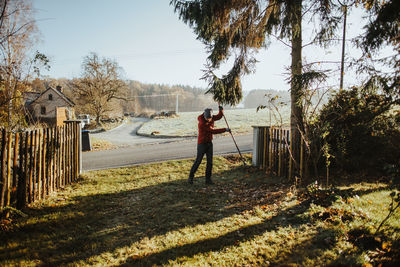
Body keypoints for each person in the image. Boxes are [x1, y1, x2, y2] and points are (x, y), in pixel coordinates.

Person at [188, 105, 231, 185]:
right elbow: (212, 131)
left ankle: (208, 180)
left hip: (209, 143)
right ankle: (190, 177)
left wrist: (221, 110)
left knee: (210, 162)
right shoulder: (202, 123)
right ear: (204, 116)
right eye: (207, 118)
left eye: (210, 118)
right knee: (198, 161)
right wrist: (225, 129)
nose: (209, 120)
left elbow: (218, 116)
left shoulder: (211, 117)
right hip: (202, 144)